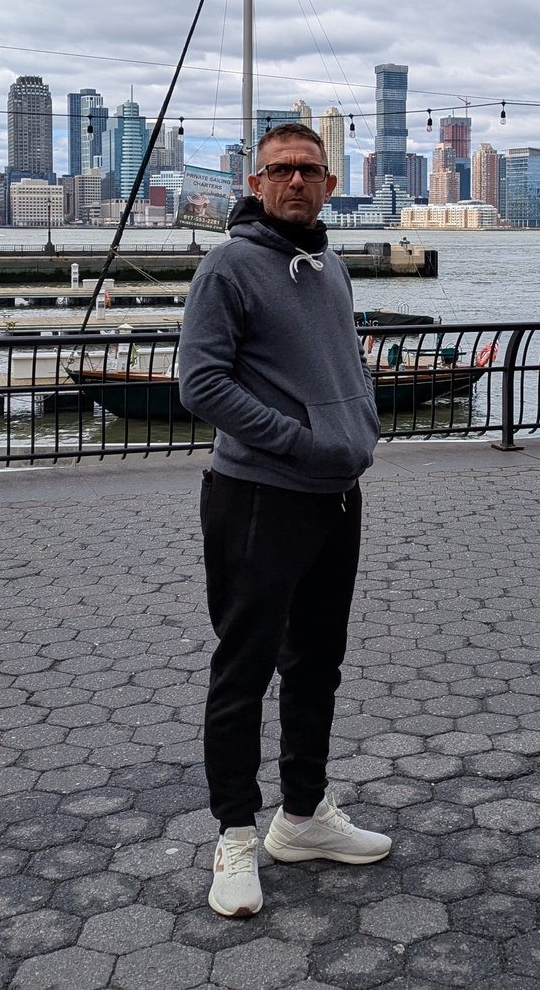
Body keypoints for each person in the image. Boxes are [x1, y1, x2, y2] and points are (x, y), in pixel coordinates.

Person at [178, 122, 391, 918]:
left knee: (317, 663)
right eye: (280, 170)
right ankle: (234, 833)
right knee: (244, 667)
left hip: (336, 495)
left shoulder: (330, 265)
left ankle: (302, 816)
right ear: (256, 182)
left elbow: (343, 361)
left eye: (309, 169)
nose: (295, 181)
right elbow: (200, 384)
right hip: (259, 495)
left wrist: (358, 425)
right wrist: (299, 440)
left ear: (330, 184)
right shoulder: (228, 266)